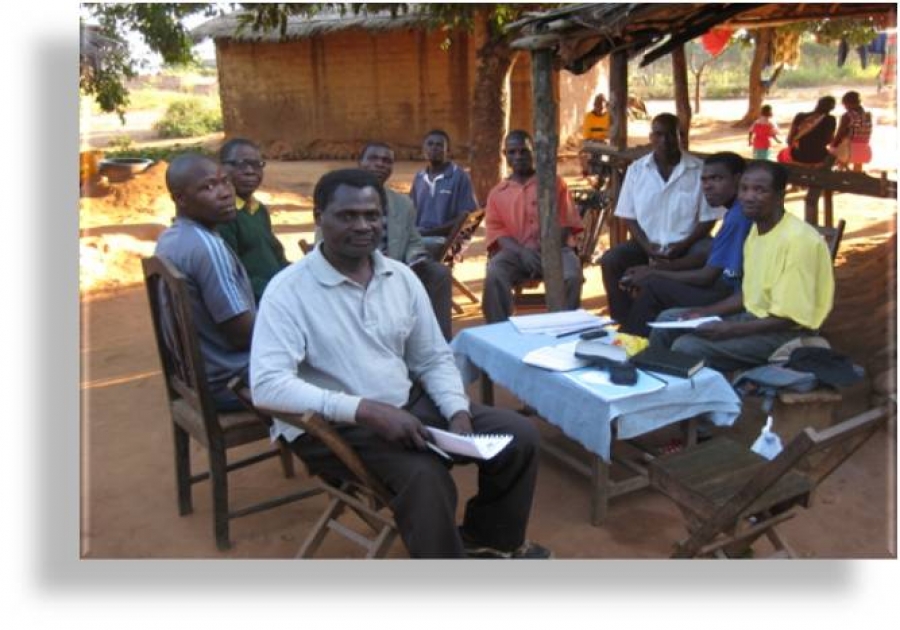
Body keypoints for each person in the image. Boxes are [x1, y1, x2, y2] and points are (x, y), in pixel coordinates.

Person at [249, 168, 549, 559]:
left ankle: (490, 540)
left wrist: (457, 411)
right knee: (427, 478)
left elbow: (432, 356)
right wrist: (367, 410)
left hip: (405, 404)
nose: (363, 226)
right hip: (334, 425)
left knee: (518, 436)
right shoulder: (288, 290)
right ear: (318, 217)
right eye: (347, 215)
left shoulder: (401, 277)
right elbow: (267, 386)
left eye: (371, 215)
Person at [649, 161, 835, 373]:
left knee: (687, 347)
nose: (748, 197)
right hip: (755, 318)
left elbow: (788, 319)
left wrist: (730, 329)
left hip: (790, 334)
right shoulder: (757, 232)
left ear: (779, 196)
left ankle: (690, 398)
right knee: (668, 320)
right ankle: (659, 390)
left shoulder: (798, 241)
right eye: (744, 189)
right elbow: (748, 295)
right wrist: (703, 312)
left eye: (760, 190)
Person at [599, 112, 721, 326]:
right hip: (647, 243)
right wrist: (647, 247)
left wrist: (683, 244)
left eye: (670, 135)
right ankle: (624, 321)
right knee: (612, 260)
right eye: (659, 134)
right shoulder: (637, 170)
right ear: (651, 137)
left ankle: (688, 315)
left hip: (688, 243)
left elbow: (708, 218)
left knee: (707, 251)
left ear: (680, 136)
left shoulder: (698, 170)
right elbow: (629, 215)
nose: (664, 141)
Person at [154, 153, 254, 411]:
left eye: (225, 182)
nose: (224, 193)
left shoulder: (170, 238)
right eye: (208, 187)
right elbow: (241, 334)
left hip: (198, 376)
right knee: (336, 361)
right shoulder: (208, 247)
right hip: (230, 380)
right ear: (180, 199)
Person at [619, 152, 751, 338]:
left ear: (738, 179)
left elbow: (706, 277)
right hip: (726, 285)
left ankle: (628, 343)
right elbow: (711, 260)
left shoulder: (738, 218)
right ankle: (629, 335)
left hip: (730, 294)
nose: (708, 186)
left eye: (716, 178)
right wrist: (656, 269)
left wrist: (653, 272)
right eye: (704, 180)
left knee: (654, 287)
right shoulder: (735, 214)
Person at [482, 130, 584, 323]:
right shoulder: (497, 193)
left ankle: (565, 326)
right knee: (495, 272)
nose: (518, 156)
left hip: (556, 249)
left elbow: (566, 222)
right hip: (516, 253)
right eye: (512, 152)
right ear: (505, 155)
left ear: (534, 152)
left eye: (524, 151)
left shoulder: (554, 183)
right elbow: (498, 233)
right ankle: (498, 329)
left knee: (572, 275)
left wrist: (546, 250)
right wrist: (522, 252)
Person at [357, 141, 454, 341]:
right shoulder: (341, 198)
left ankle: (440, 344)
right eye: (373, 159)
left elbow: (413, 240)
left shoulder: (401, 203)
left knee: (439, 273)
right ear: (360, 163)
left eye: (387, 161)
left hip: (395, 268)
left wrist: (415, 257)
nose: (380, 164)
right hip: (355, 269)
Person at [217, 138, 289, 303]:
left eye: (257, 165)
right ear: (221, 168)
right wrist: (279, 293)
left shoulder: (259, 210)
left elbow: (277, 257)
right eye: (241, 164)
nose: (250, 171)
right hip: (257, 301)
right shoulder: (224, 215)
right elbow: (232, 276)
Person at [409, 129, 479, 250]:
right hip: (420, 236)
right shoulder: (419, 178)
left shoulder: (459, 177)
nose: (434, 148)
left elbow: (466, 218)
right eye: (430, 144)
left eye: (439, 145)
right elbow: (410, 213)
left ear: (448, 151)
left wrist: (426, 233)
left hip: (446, 239)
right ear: (423, 149)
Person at [781, 96, 837, 225]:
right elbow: (829, 140)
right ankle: (816, 183)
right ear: (832, 108)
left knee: (783, 155)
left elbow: (789, 140)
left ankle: (795, 183)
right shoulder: (830, 120)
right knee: (831, 158)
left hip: (797, 156)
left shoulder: (800, 116)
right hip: (819, 157)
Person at [829, 90, 873, 173]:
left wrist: (832, 146)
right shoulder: (868, 115)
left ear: (847, 103)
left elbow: (840, 133)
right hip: (864, 150)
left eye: (844, 104)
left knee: (834, 152)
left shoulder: (847, 115)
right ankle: (857, 175)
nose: (845, 107)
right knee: (857, 164)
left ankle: (842, 171)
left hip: (849, 151)